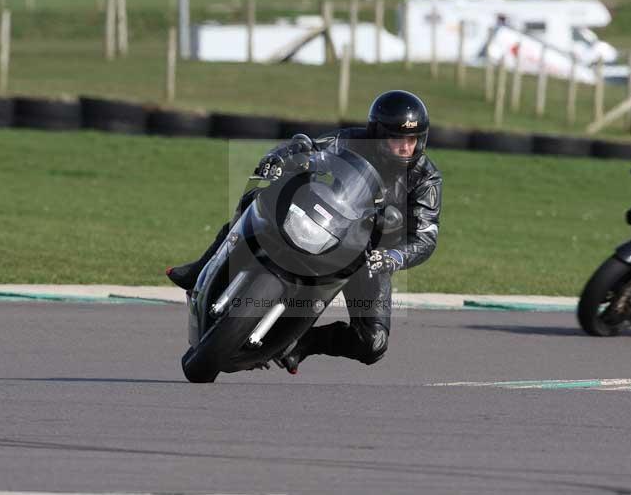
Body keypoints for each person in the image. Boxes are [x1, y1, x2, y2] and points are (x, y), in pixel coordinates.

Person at [166, 90, 443, 374]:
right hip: (321, 219)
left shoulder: (426, 178)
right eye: (397, 138)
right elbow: (308, 148)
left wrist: (394, 257)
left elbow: (425, 236)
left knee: (373, 343)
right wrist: (280, 157)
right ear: (377, 134)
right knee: (258, 195)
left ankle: (302, 343)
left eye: (412, 139)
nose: (405, 147)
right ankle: (203, 265)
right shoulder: (350, 140)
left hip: (370, 256)